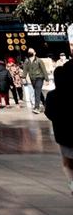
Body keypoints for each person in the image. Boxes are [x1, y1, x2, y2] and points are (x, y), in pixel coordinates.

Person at [44, 61, 73, 196]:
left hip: (63, 135)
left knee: (67, 163)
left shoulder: (52, 96)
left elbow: (49, 113)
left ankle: (72, 184)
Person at [23, 48, 48, 114]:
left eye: (31, 51)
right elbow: (25, 70)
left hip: (39, 77)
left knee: (37, 91)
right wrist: (23, 78)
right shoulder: (26, 61)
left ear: (34, 53)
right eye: (29, 51)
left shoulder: (39, 60)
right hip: (32, 79)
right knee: (38, 92)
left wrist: (47, 79)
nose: (29, 52)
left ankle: (37, 108)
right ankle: (45, 103)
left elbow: (44, 70)